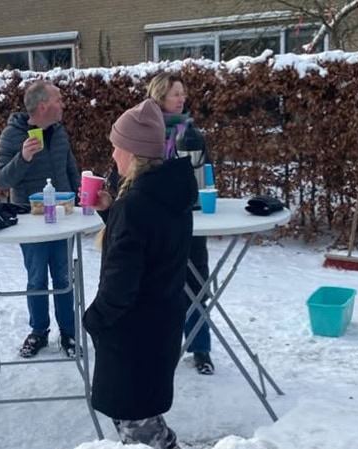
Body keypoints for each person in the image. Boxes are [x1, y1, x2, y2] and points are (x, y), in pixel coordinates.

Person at [83, 99, 198, 449]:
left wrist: (94, 320)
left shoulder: (135, 206)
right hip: (158, 328)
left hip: (132, 337)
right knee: (144, 419)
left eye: (116, 146)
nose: (113, 154)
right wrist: (112, 213)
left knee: (138, 429)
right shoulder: (168, 194)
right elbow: (151, 247)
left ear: (132, 153)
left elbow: (122, 284)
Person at [0, 80, 80, 358]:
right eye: (58, 100)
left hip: (63, 218)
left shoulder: (59, 132)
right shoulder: (12, 135)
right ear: (43, 106)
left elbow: (70, 169)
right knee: (37, 278)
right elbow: (1, 179)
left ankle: (69, 333)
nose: (63, 104)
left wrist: (81, 200)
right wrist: (23, 157)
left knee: (64, 277)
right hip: (30, 222)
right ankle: (39, 331)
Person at [147, 72, 215, 375]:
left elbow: (207, 172)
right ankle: (160, 348)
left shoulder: (191, 132)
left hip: (191, 218)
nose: (182, 98)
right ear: (160, 96)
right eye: (176, 93)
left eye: (183, 93)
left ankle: (200, 348)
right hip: (158, 221)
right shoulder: (146, 132)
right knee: (160, 287)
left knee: (197, 283)